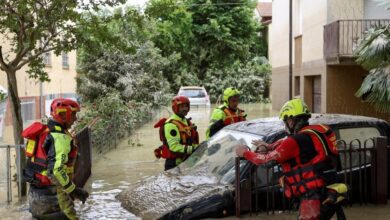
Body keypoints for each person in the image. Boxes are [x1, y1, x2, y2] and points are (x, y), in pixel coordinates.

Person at [235, 98, 347, 220]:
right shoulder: (312, 133)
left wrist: (245, 153)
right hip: (328, 190)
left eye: (286, 121)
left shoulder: (296, 141)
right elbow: (285, 143)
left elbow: (266, 161)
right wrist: (269, 146)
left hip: (312, 196)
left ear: (292, 120)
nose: (285, 125)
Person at [25, 98, 89, 220]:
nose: (75, 119)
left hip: (35, 197)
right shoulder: (60, 138)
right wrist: (74, 190)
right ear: (63, 114)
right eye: (74, 114)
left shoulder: (44, 132)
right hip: (54, 199)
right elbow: (56, 170)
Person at [154, 95, 199, 170]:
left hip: (185, 162)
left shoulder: (187, 121)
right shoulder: (170, 124)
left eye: (186, 106)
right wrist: (194, 149)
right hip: (174, 164)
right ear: (175, 108)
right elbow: (174, 147)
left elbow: (191, 141)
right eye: (182, 107)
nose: (185, 109)